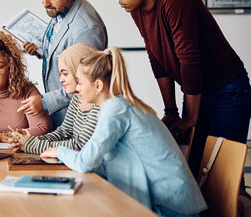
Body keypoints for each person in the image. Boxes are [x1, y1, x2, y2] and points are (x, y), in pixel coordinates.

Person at [111, 0, 251, 177]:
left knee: (225, 174)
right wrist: (171, 111)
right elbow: (156, 56)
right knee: (194, 166)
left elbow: (190, 60)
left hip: (227, 90)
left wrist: (191, 118)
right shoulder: (136, 9)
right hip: (195, 89)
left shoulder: (174, 0)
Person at [41, 48, 207, 217]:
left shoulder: (116, 109)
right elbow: (102, 163)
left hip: (171, 209)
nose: (78, 88)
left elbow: (85, 163)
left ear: (98, 85)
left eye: (80, 82)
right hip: (169, 203)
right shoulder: (117, 105)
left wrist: (59, 151)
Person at [21, 0, 108, 128]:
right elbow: (67, 54)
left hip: (78, 118)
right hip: (62, 114)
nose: (45, 3)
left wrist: (44, 102)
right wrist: (42, 51)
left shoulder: (87, 29)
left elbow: (87, 83)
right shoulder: (61, 10)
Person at [10, 43, 100, 153]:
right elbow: (64, 133)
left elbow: (80, 145)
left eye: (65, 74)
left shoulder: (99, 105)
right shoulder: (77, 98)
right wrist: (29, 140)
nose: (61, 80)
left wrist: (30, 144)